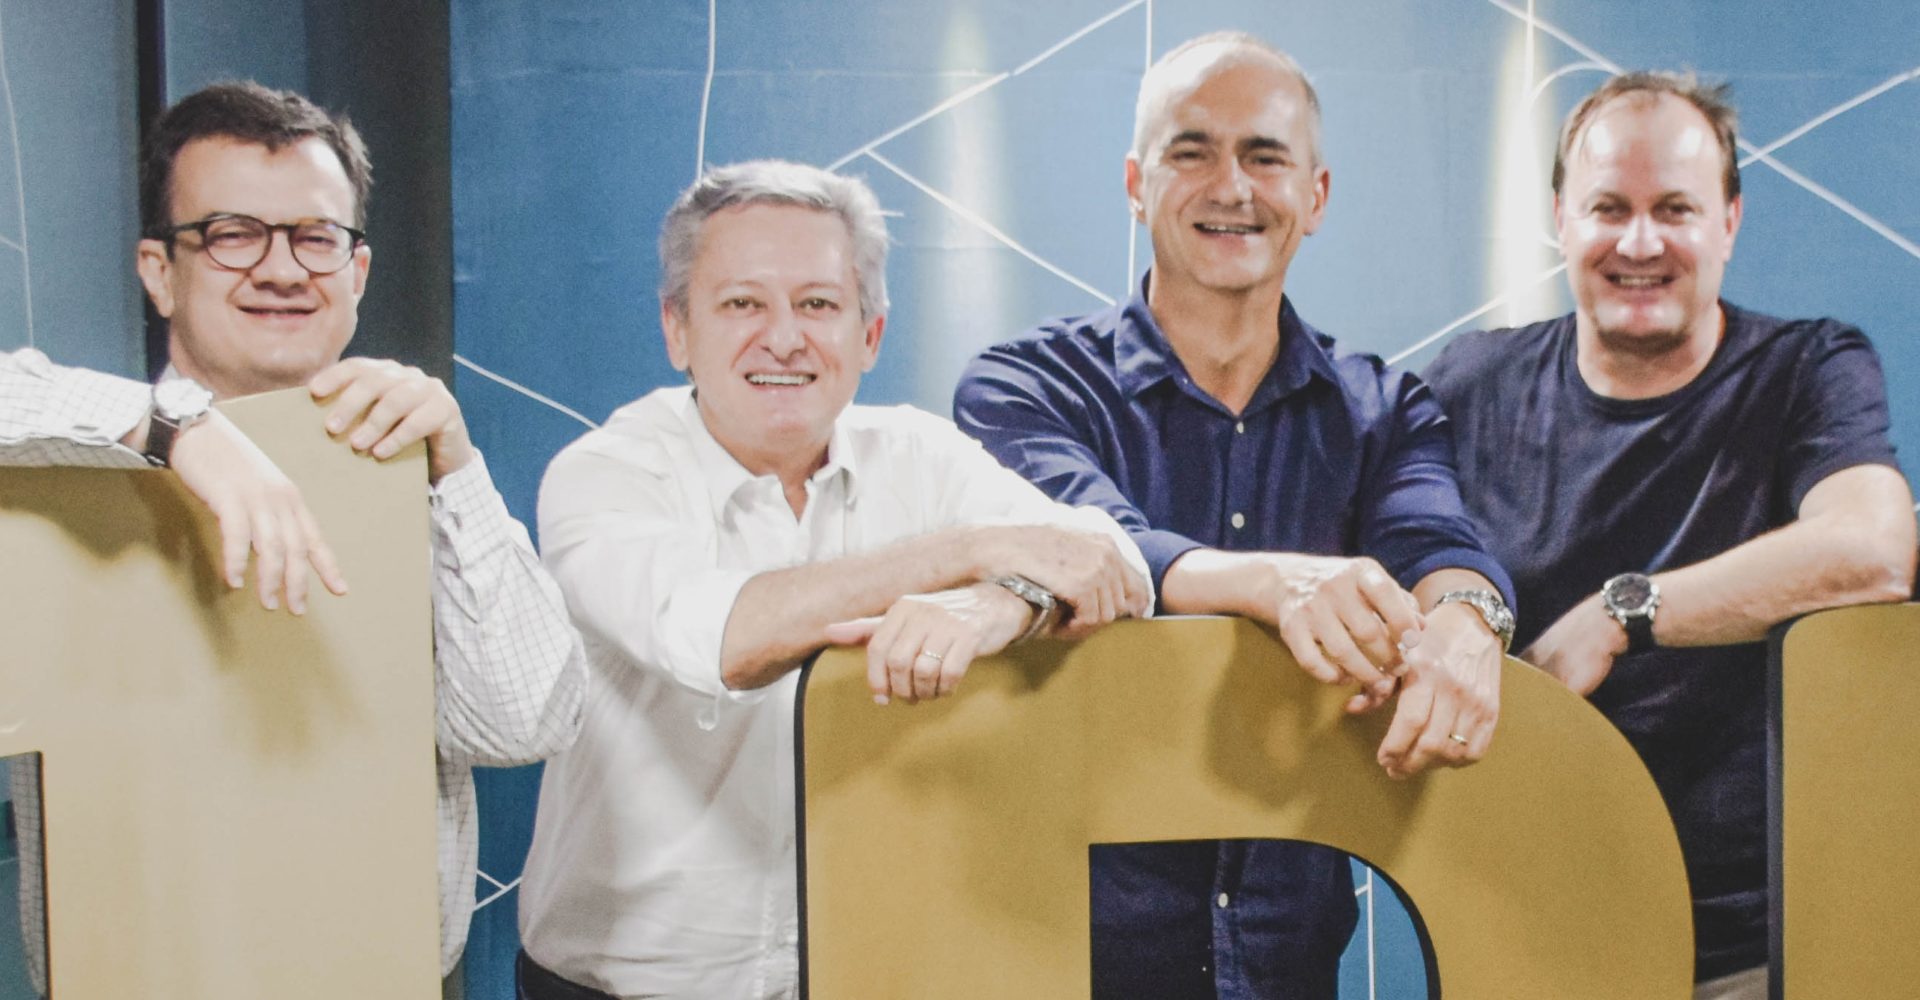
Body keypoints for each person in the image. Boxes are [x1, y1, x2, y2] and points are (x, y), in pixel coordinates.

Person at [954, 31, 1513, 1000]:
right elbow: (1084, 543)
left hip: (1294, 965)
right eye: (1192, 151)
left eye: (1264, 155)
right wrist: (1268, 584)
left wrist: (1469, 622)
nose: (1231, 186)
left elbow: (1438, 544)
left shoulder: (1385, 407)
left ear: (1316, 196)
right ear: (1136, 185)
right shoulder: (1024, 387)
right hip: (1060, 961)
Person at [0, 81, 588, 999]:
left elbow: (525, 723)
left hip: (386, 975)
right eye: (232, 234)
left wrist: (455, 469)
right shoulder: (72, 455)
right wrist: (179, 429)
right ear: (159, 270)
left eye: (315, 237)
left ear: (357, 272)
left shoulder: (413, 465)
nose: (281, 270)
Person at [514, 159, 1153, 1000]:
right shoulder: (603, 475)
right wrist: (966, 552)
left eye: (818, 304)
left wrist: (998, 603)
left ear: (870, 336)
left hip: (876, 975)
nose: (784, 338)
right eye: (743, 304)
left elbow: (1112, 559)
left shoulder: (919, 453)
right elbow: (723, 641)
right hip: (625, 986)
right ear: (678, 331)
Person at [1422, 72, 1917, 1000]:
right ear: (1561, 219)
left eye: (1676, 210)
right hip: (1528, 943)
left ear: (1729, 221)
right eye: (1609, 208)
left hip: (1762, 956)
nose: (1640, 243)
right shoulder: (1468, 386)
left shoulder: (1806, 370)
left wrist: (1623, 614)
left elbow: (1874, 549)